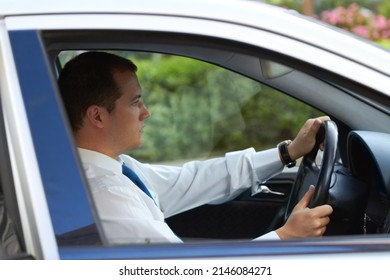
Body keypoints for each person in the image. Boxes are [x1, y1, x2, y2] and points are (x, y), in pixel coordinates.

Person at [58, 51, 333, 244]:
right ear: (97, 116)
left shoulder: (119, 168)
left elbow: (191, 180)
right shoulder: (107, 199)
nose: (146, 112)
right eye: (134, 102)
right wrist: (285, 237)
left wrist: (286, 153)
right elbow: (183, 271)